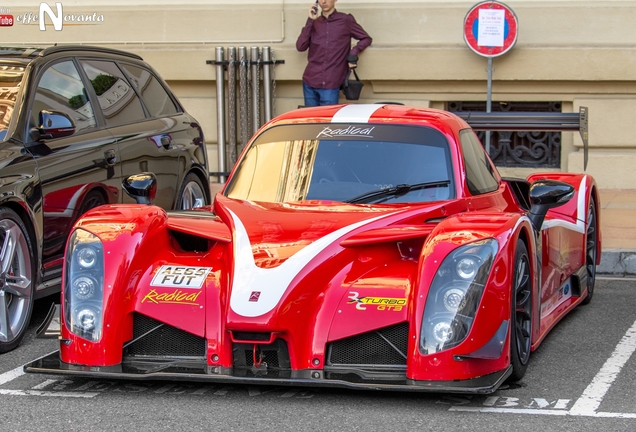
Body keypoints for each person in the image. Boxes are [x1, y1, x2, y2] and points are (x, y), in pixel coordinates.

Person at [296, 0, 372, 107]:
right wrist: (310, 20)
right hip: (310, 80)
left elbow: (366, 38)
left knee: (328, 121)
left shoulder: (345, 20)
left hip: (331, 82)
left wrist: (353, 53)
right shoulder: (314, 22)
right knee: (311, 121)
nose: (324, 1)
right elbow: (300, 47)